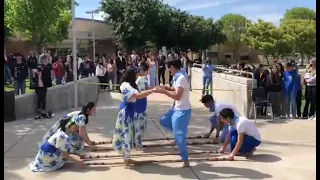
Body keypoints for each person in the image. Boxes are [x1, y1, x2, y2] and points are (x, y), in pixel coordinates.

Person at [112, 67, 156, 168]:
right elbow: (138, 95)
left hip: (131, 112)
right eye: (136, 74)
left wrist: (151, 89)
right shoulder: (125, 85)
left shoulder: (131, 85)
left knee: (129, 136)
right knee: (126, 136)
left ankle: (127, 157)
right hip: (126, 114)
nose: (137, 76)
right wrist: (152, 91)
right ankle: (126, 162)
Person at [156, 58, 192, 168]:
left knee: (180, 136)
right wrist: (166, 87)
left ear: (173, 67)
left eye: (169, 68)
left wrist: (164, 92)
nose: (168, 70)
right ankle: (177, 136)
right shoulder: (178, 77)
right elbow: (176, 90)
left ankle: (185, 161)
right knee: (164, 121)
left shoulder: (181, 78)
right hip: (177, 108)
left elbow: (177, 96)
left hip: (182, 111)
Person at [134, 62, 150, 146]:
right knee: (140, 124)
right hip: (141, 102)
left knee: (138, 123)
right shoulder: (143, 79)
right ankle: (137, 142)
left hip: (137, 102)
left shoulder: (137, 78)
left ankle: (136, 141)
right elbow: (145, 92)